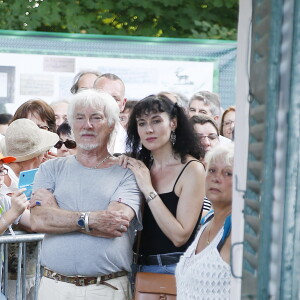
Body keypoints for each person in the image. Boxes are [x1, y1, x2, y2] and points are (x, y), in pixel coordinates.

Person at [30, 89, 142, 300]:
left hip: (107, 288)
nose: (87, 125)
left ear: (111, 124)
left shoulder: (128, 171)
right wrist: (91, 219)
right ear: (72, 124)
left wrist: (57, 213)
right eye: (79, 118)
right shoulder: (50, 169)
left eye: (96, 118)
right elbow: (38, 219)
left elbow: (115, 224)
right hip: (54, 287)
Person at [120, 94, 206, 275]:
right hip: (132, 268)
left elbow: (179, 236)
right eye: (142, 123)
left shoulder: (192, 169)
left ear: (173, 123)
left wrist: (148, 189)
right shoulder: (138, 164)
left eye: (156, 121)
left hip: (171, 269)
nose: (148, 129)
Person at [1, 118, 59, 300]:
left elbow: (36, 223)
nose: (3, 172)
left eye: (3, 166)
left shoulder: (4, 199)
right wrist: (11, 215)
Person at [176, 144, 234, 300]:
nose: (216, 178)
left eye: (228, 173)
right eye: (212, 170)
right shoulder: (206, 221)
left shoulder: (238, 230)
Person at [94, 73, 128, 154]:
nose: (108, 103)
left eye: (114, 99)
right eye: (102, 96)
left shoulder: (134, 146)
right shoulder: (70, 140)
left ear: (123, 104)